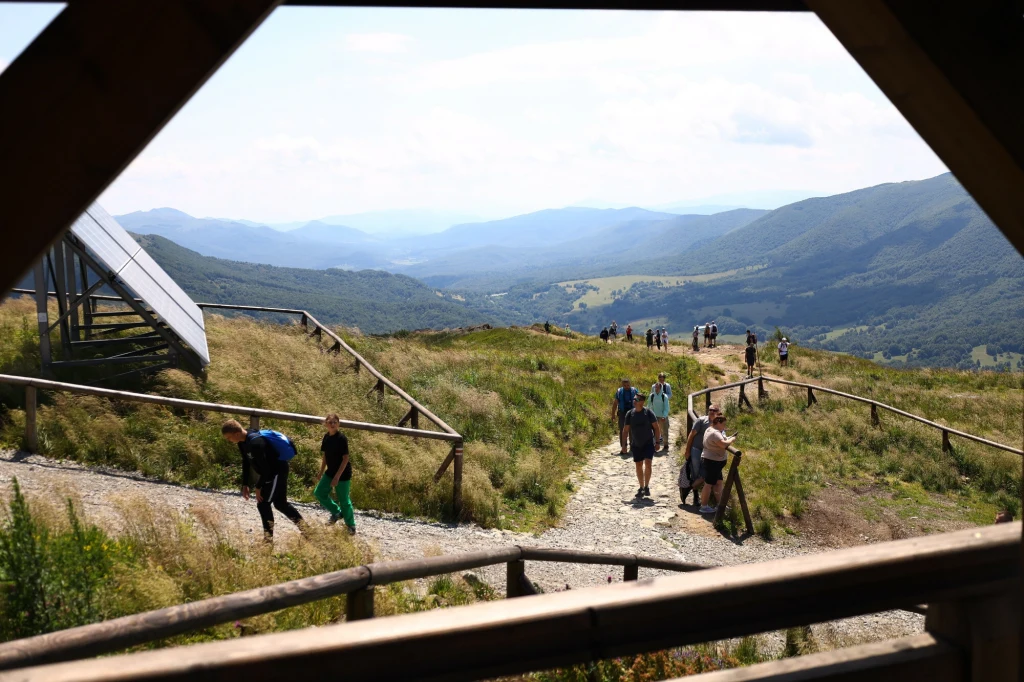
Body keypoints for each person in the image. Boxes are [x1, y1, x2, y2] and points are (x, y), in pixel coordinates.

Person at [222, 419, 304, 540]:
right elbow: (246, 461)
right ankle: (308, 531)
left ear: (237, 433)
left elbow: (267, 470)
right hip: (270, 472)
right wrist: (245, 484)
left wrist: (258, 487)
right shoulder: (242, 442)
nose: (229, 441)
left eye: (229, 438)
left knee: (263, 504)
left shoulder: (256, 443)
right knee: (281, 504)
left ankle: (268, 540)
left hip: (276, 471)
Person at [315, 413, 356, 534]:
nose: (332, 424)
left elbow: (345, 459)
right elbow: (325, 456)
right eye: (330, 422)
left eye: (335, 422)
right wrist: (321, 472)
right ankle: (337, 512)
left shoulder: (341, 439)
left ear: (338, 424)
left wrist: (337, 477)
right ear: (326, 424)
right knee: (319, 493)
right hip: (330, 471)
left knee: (344, 500)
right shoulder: (326, 437)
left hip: (342, 474)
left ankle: (351, 525)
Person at [621, 392, 660, 498]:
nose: (634, 401)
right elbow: (625, 430)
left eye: (636, 399)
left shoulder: (648, 413)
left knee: (648, 463)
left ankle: (647, 486)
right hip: (636, 444)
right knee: (638, 465)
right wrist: (624, 445)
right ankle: (641, 487)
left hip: (648, 443)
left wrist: (657, 442)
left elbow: (656, 427)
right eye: (634, 399)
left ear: (642, 402)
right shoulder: (630, 414)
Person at [682, 403, 720, 506]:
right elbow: (691, 435)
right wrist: (687, 450)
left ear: (719, 412)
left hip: (708, 453)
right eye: (710, 409)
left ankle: (688, 489)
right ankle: (695, 497)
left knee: (704, 474)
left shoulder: (719, 424)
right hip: (697, 450)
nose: (712, 412)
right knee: (695, 472)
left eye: (714, 410)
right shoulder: (701, 421)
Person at [700, 414, 735, 514]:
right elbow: (723, 444)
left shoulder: (710, 429)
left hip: (714, 461)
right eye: (723, 424)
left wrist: (727, 438)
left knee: (719, 482)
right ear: (718, 423)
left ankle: (720, 505)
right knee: (708, 484)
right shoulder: (715, 433)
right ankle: (704, 506)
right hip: (712, 462)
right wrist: (732, 439)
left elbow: (721, 440)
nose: (725, 426)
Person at [611, 378, 639, 455]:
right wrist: (613, 414)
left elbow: (639, 402)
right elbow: (615, 403)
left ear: (630, 384)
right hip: (622, 413)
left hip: (633, 412)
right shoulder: (619, 392)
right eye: (625, 385)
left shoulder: (634, 391)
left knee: (632, 430)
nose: (626, 386)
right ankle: (623, 447)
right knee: (622, 430)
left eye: (628, 385)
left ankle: (632, 447)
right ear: (622, 385)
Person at [648, 381, 670, 453]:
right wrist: (649, 414)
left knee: (664, 431)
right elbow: (649, 406)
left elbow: (666, 407)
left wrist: (664, 416)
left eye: (658, 387)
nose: (656, 389)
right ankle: (655, 445)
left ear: (661, 388)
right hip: (654, 417)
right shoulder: (652, 396)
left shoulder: (664, 396)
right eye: (655, 387)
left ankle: (665, 444)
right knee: (655, 432)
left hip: (663, 417)